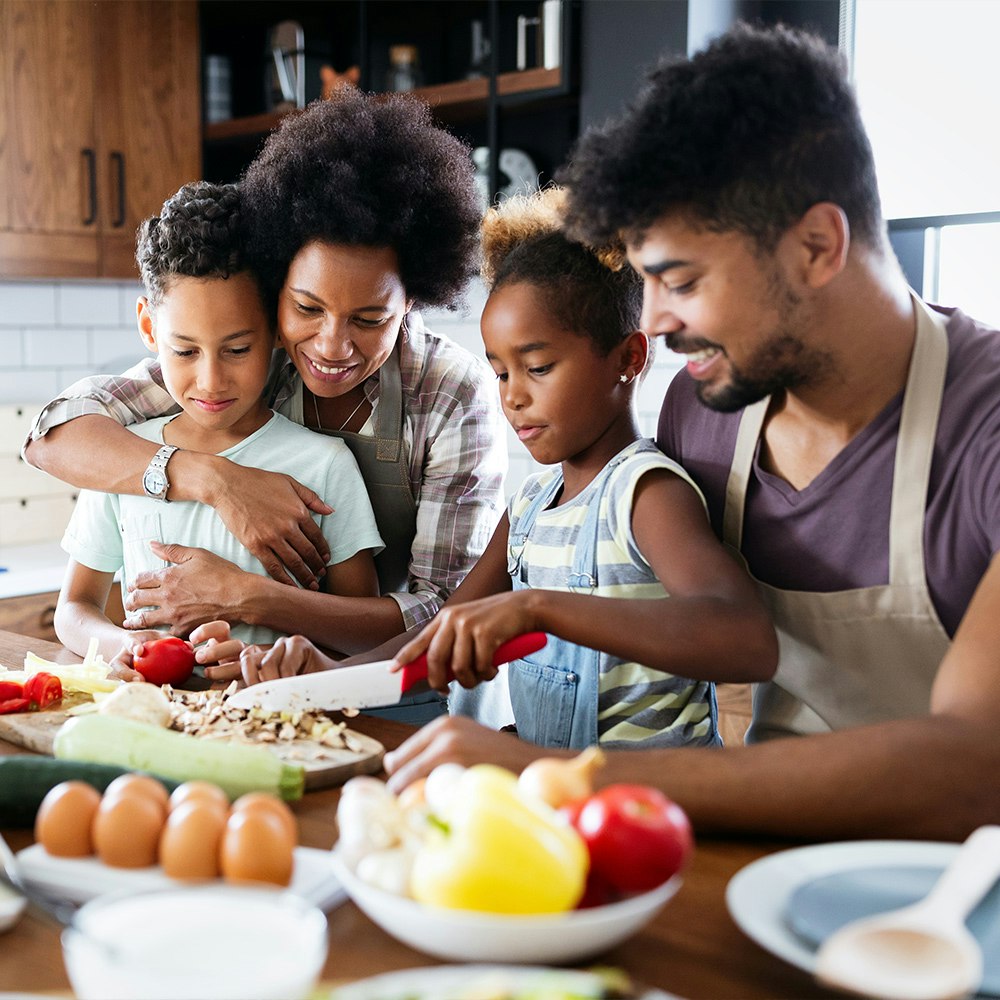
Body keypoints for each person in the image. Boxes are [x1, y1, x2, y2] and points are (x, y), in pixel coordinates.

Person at [382, 23, 1000, 841]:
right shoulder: (704, 413)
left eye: (680, 281)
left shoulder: (985, 425)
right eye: (646, 282)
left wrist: (552, 773)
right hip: (760, 850)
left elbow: (974, 769)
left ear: (817, 246)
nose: (657, 322)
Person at [235, 189, 777, 752]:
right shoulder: (530, 507)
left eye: (537, 367)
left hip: (655, 795)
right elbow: (436, 639)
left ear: (628, 358)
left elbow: (747, 641)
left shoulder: (644, 493)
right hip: (554, 791)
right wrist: (326, 677)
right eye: (501, 372)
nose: (513, 397)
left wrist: (537, 608)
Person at [23, 90, 505, 721]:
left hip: (416, 697)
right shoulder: (242, 359)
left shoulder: (451, 392)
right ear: (279, 298)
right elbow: (53, 434)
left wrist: (249, 598)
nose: (331, 346)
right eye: (307, 308)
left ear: (411, 299)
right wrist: (218, 481)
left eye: (369, 318)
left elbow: (443, 611)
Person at [54, 181, 382, 679]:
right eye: (185, 351)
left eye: (237, 350)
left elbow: (363, 635)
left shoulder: (324, 464)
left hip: (277, 714)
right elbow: (74, 609)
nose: (210, 380)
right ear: (149, 328)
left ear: (276, 329)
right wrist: (121, 643)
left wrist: (278, 660)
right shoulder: (125, 457)